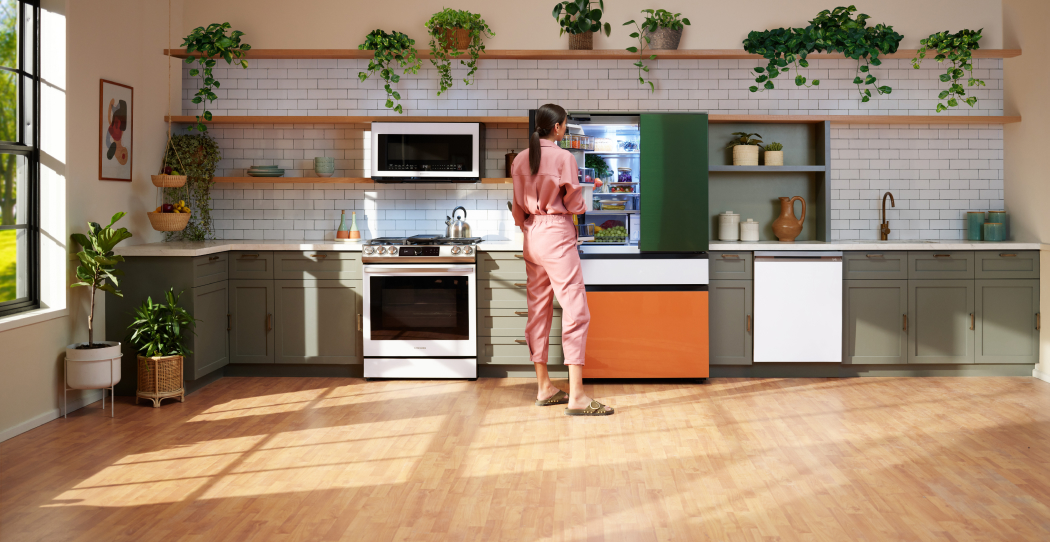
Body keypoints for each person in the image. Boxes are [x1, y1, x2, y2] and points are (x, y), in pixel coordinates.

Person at [510, 103, 613, 416]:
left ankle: (544, 387)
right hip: (556, 233)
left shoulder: (519, 158)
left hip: (531, 235)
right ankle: (578, 396)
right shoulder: (563, 157)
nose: (565, 129)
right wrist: (582, 196)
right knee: (576, 310)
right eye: (565, 125)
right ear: (557, 127)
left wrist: (532, 224)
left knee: (538, 310)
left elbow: (517, 207)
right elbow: (574, 202)